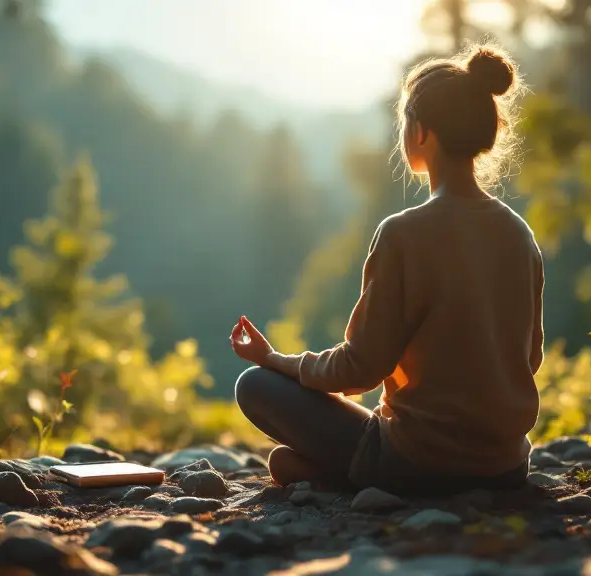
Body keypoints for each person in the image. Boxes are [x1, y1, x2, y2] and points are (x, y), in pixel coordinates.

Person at [229, 44, 544, 497]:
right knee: (286, 462)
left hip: (418, 461)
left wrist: (274, 360)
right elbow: (528, 358)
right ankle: (349, 473)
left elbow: (360, 369)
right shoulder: (520, 235)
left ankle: (364, 475)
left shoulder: (404, 234)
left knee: (255, 386)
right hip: (505, 466)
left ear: (420, 134)